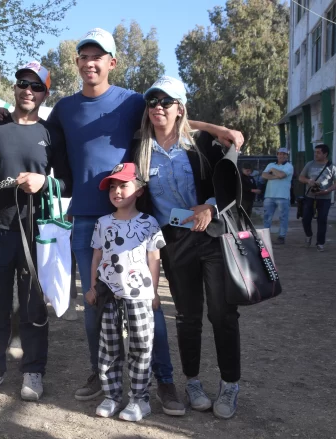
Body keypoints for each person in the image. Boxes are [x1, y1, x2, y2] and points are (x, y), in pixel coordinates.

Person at [42, 28, 243, 406]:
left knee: (149, 302)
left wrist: (215, 128)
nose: (90, 62)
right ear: (77, 61)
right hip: (88, 219)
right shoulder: (65, 108)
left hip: (136, 221)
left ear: (111, 62)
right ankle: (103, 373)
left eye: (98, 56)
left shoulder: (131, 101)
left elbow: (171, 120)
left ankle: (165, 378)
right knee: (97, 304)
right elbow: (42, 138)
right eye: (84, 55)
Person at [132, 75, 241, 420]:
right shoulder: (139, 146)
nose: (158, 107)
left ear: (180, 108)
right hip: (174, 241)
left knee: (222, 314)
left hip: (211, 236)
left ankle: (230, 384)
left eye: (166, 102)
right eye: (152, 102)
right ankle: (193, 382)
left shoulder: (201, 143)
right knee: (188, 316)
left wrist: (209, 205)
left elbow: (231, 184)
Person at [0, 62, 72, 402]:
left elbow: (67, 180)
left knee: (32, 308)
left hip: (34, 232)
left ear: (45, 93)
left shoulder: (50, 133)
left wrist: (45, 181)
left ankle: (33, 372)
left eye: (36, 86)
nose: (28, 90)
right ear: (14, 88)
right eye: (23, 83)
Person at [85, 163, 164, 422]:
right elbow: (97, 254)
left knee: (141, 346)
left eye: (124, 185)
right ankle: (112, 396)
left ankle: (140, 399)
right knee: (109, 348)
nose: (117, 191)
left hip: (139, 296)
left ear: (139, 190)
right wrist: (92, 286)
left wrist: (153, 292)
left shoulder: (149, 223)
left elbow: (154, 258)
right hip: (109, 296)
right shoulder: (102, 222)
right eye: (113, 187)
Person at [298, 144, 336, 251]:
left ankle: (320, 243)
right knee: (305, 218)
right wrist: (308, 181)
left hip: (325, 198)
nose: (316, 154)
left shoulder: (332, 167)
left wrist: (327, 190)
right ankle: (308, 235)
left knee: (322, 220)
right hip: (309, 197)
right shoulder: (309, 164)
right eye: (315, 152)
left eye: (318, 152)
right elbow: (301, 177)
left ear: (325, 154)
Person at [262, 148, 294, 245]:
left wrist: (272, 171)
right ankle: (265, 236)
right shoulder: (270, 164)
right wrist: (276, 175)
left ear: (287, 156)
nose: (282, 156)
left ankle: (281, 236)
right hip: (269, 195)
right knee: (267, 217)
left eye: (284, 154)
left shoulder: (289, 166)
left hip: (283, 196)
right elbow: (264, 175)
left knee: (283, 218)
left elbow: (282, 175)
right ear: (277, 155)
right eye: (280, 154)